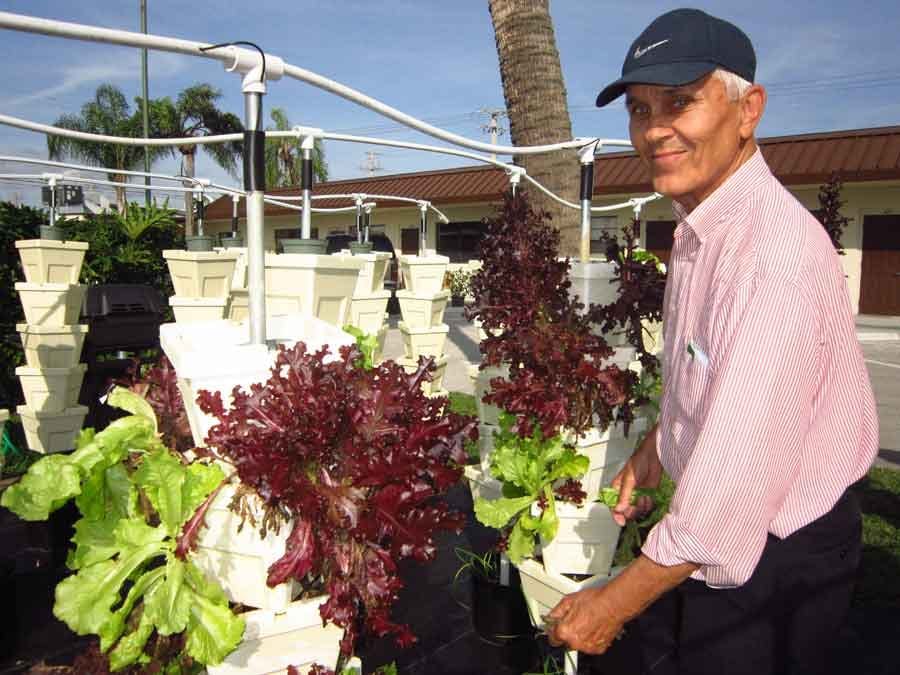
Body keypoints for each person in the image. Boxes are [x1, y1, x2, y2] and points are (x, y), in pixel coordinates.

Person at [546, 8, 879, 674]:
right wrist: (658, 447)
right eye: (640, 109)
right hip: (725, 529)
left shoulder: (768, 257)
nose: (654, 130)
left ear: (747, 109)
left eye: (680, 101)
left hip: (780, 550)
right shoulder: (703, 224)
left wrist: (611, 601)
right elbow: (706, 376)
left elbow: (731, 488)